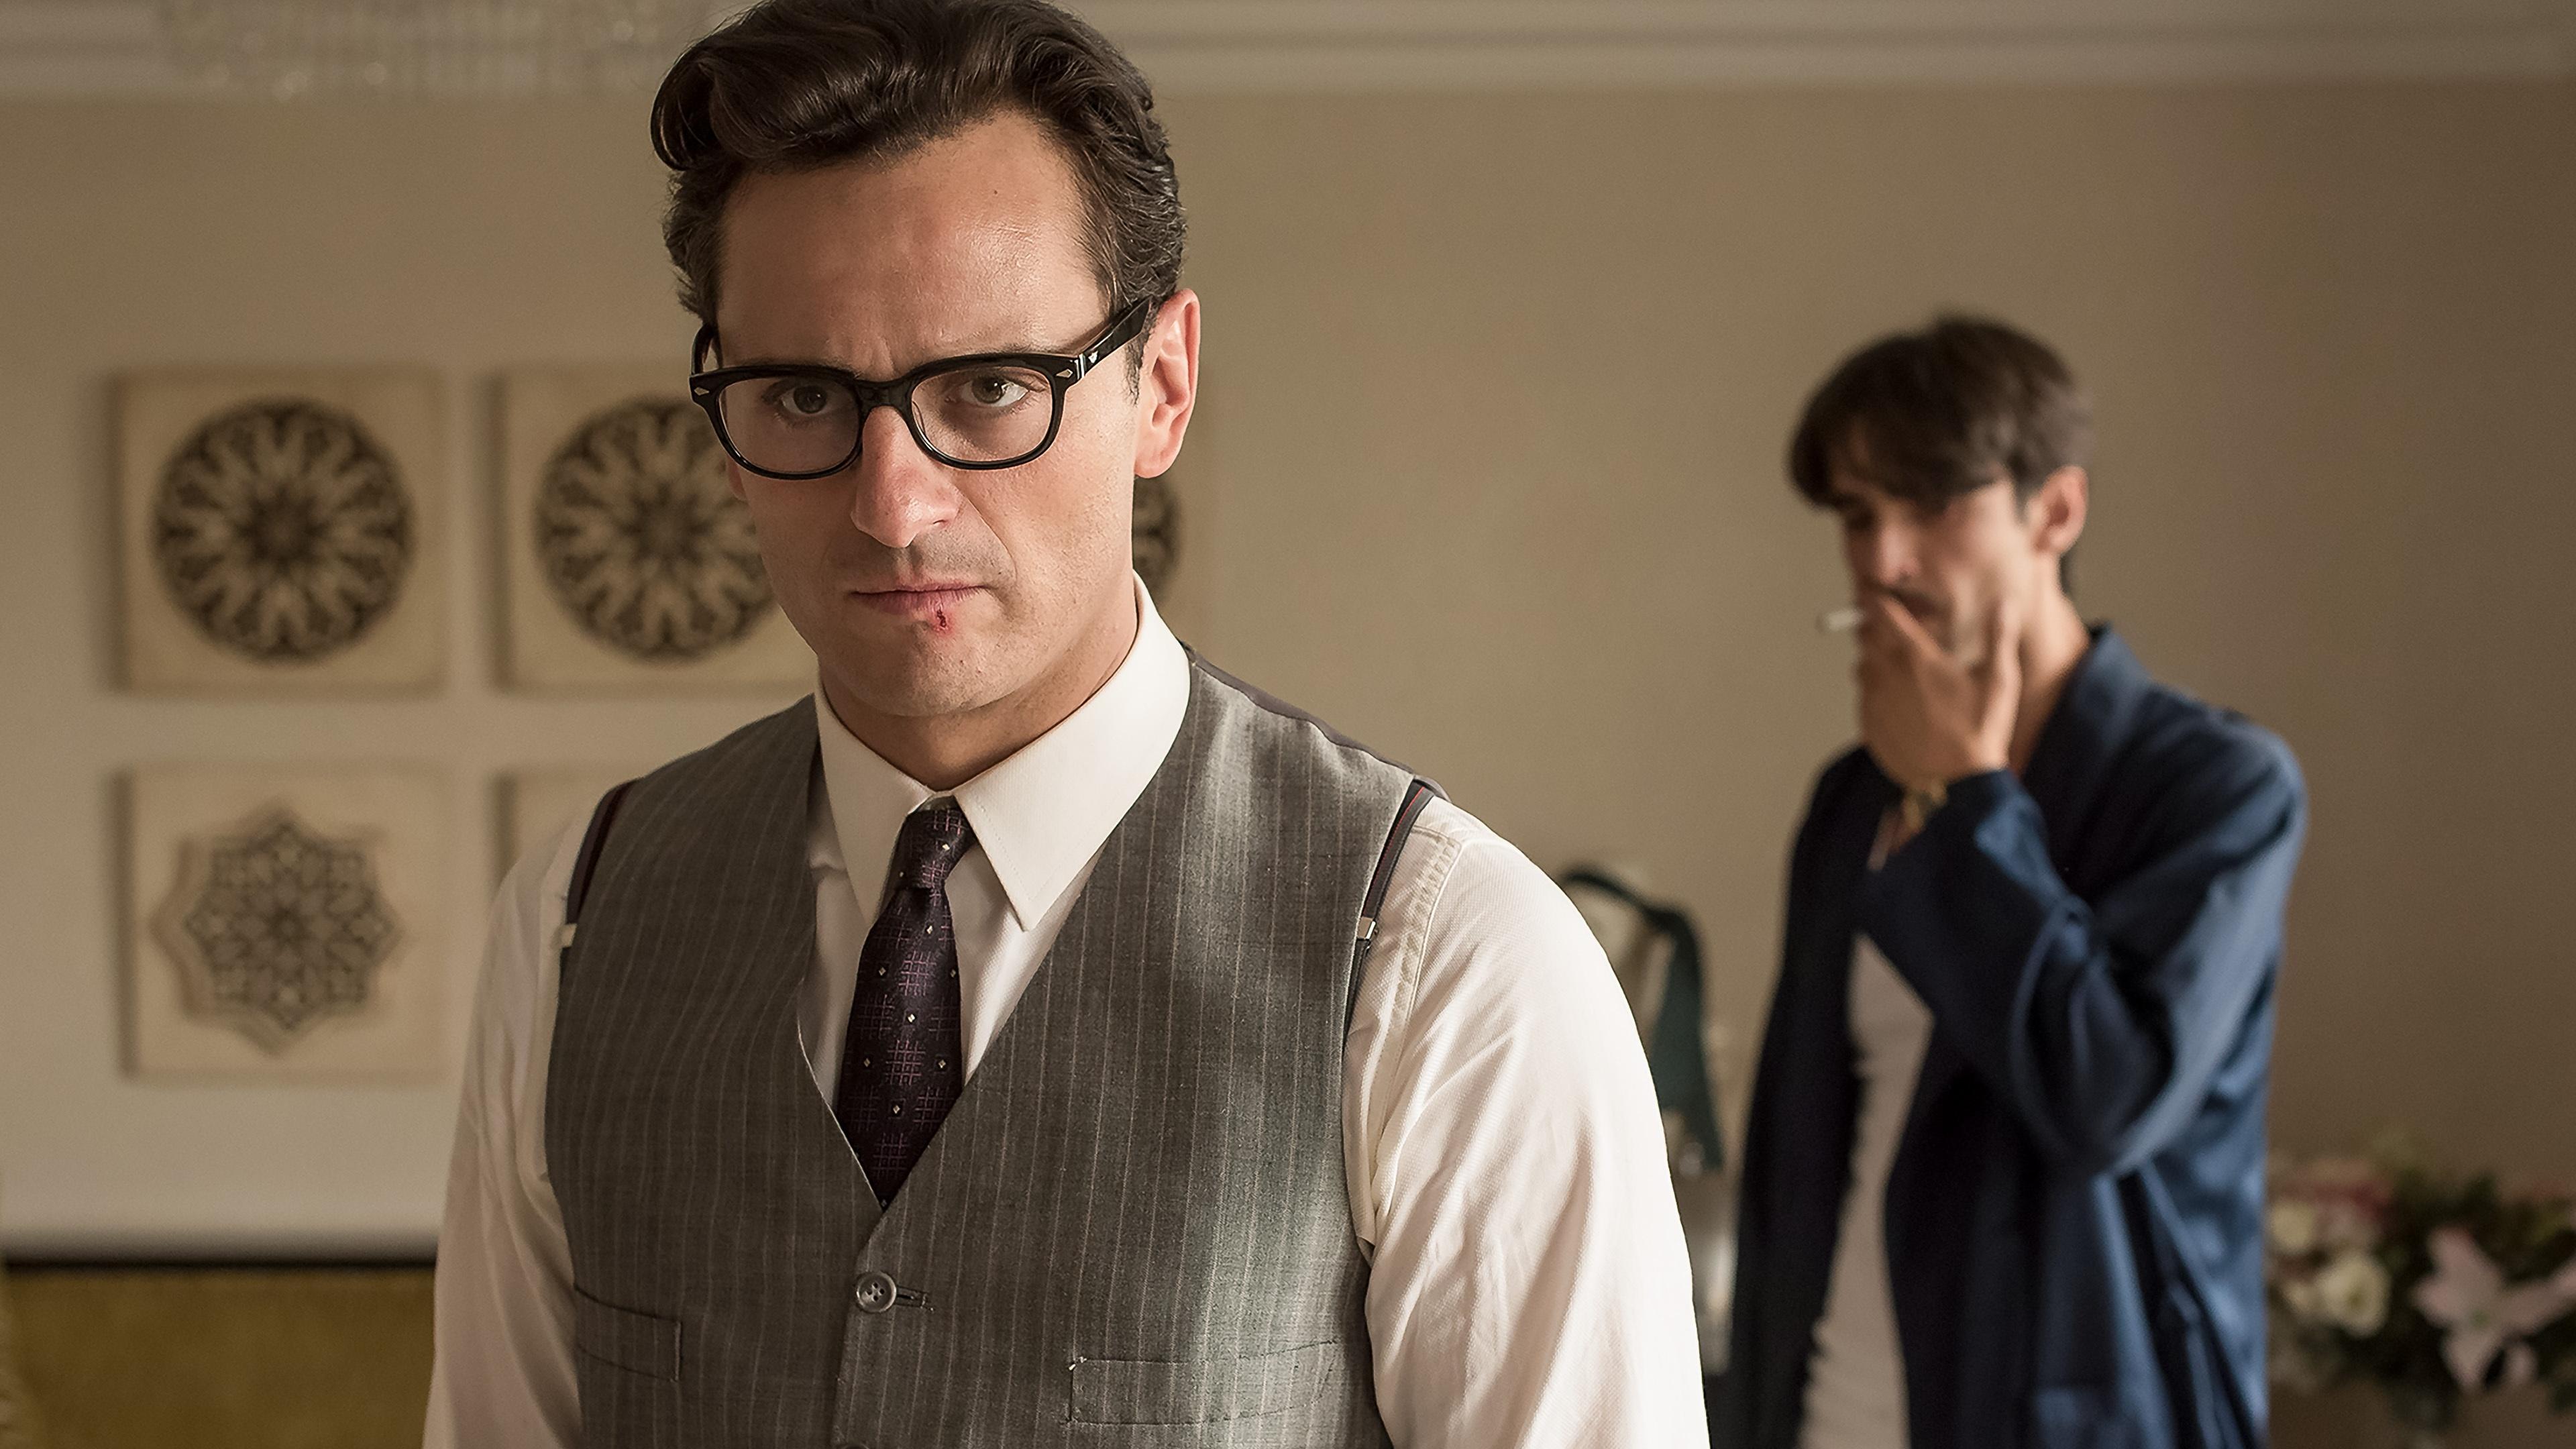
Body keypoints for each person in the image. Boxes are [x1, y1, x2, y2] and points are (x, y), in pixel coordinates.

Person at [423, 1, 1705, 1444]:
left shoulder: (1448, 958)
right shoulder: (577, 918)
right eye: (804, 396)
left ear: (1163, 386)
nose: (892, 503)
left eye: (990, 388)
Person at [1714, 317, 2307, 1449]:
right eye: (1858, 514)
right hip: (1832, 1409)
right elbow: (1794, 1152)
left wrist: (1968, 800)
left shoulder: (2217, 786)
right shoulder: (1851, 797)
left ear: (2056, 511)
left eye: (1933, 501)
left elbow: (2107, 1100)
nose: (1884, 559)